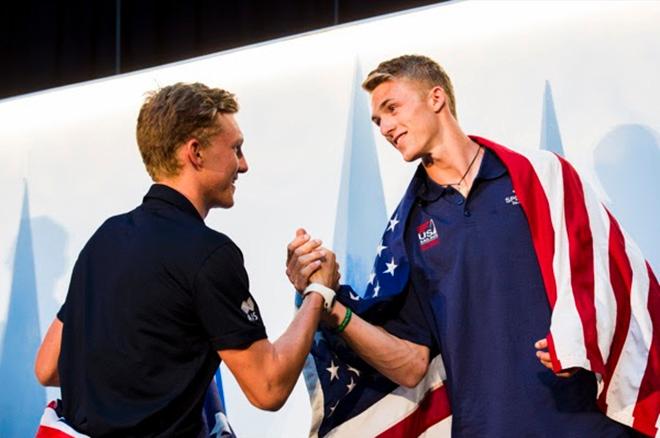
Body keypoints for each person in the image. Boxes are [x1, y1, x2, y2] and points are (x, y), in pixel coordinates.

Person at [287, 55, 657, 437]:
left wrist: (582, 335)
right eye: (378, 120)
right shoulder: (407, 230)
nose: (384, 127)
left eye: (391, 108)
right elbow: (411, 364)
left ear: (436, 98)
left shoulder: (540, 176)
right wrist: (328, 304)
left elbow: (613, 276)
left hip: (587, 423)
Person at [34, 82, 338, 437]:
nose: (244, 165)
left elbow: (49, 368)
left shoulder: (104, 238)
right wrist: (318, 293)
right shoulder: (210, 254)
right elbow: (268, 387)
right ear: (195, 153)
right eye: (236, 149)